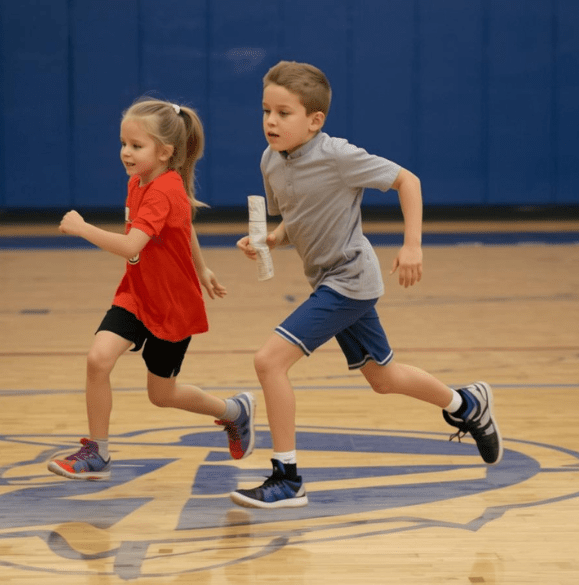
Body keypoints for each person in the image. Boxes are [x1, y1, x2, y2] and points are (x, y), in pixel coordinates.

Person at [232, 61, 502, 508]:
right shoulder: (271, 160)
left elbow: (407, 181)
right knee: (383, 378)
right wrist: (272, 239)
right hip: (329, 281)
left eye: (283, 113)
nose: (271, 122)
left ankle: (287, 478)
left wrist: (412, 246)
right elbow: (296, 218)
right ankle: (466, 404)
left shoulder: (338, 156)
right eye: (266, 111)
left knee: (269, 362)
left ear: (315, 120)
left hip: (349, 282)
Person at [49, 98, 255, 481]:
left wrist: (82, 228)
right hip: (136, 294)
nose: (126, 152)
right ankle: (98, 453)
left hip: (171, 306)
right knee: (98, 359)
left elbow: (131, 244)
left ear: (164, 152)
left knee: (162, 395)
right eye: (123, 143)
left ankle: (234, 411)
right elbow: (183, 227)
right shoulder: (140, 182)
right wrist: (202, 267)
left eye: (136, 145)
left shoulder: (164, 190)